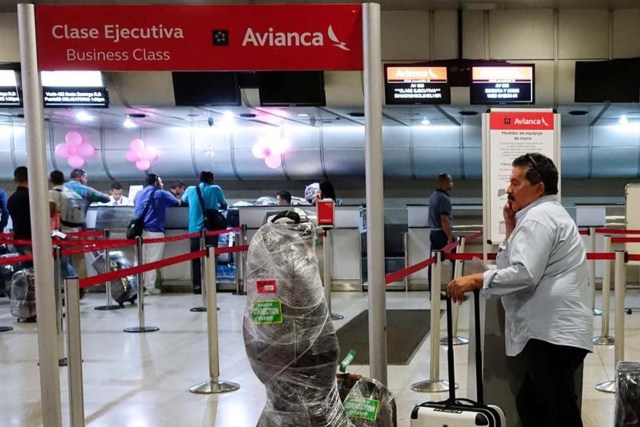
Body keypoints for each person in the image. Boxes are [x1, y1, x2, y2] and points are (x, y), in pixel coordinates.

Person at [446, 153, 593, 427]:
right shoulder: (544, 215)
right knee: (534, 403)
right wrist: (511, 228)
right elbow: (514, 263)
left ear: (538, 188)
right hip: (556, 332)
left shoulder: (539, 218)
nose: (509, 190)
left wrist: (476, 280)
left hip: (552, 334)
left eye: (515, 182)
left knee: (557, 410)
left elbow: (524, 273)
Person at [181, 171, 227, 294]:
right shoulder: (215, 188)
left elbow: (183, 202)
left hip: (194, 230)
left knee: (195, 258)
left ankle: (197, 285)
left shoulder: (191, 190)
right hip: (211, 229)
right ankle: (211, 283)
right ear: (211, 179)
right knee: (211, 256)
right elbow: (224, 204)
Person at [133, 173, 179, 295]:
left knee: (139, 259)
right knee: (152, 260)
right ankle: (149, 287)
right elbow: (176, 202)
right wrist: (162, 190)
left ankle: (137, 287)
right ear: (156, 182)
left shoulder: (139, 193)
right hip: (155, 230)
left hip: (139, 231)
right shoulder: (160, 193)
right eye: (161, 182)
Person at [7, 167, 32, 259]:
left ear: (15, 180)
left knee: (26, 267)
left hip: (18, 237)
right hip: (33, 237)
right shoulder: (33, 197)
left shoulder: (11, 199)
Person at [428, 173, 455, 250]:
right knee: (455, 258)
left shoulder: (433, 196)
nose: (452, 183)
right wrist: (449, 236)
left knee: (435, 258)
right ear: (444, 182)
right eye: (450, 181)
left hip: (433, 232)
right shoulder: (444, 198)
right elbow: (444, 219)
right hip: (442, 233)